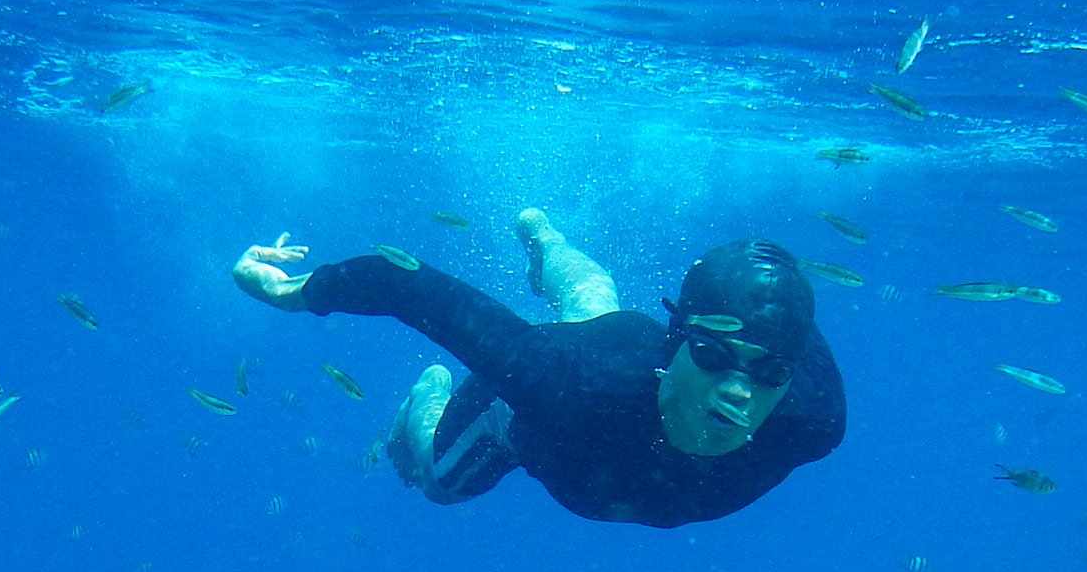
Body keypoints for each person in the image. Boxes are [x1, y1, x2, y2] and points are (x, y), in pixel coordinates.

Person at [230, 209, 847, 528]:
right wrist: (282, 290)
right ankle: (428, 395)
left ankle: (548, 242)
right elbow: (400, 283)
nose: (740, 391)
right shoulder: (560, 384)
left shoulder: (811, 419)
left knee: (595, 312)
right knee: (441, 483)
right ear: (681, 340)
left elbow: (779, 325)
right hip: (534, 406)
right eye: (715, 358)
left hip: (617, 348)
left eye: (768, 373)